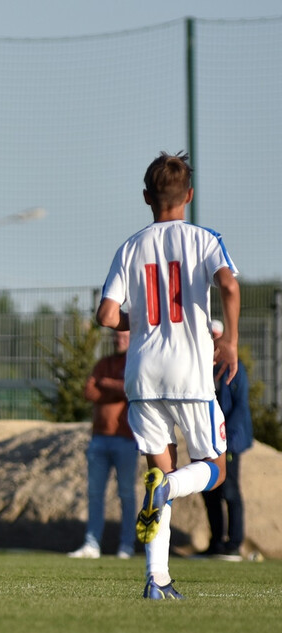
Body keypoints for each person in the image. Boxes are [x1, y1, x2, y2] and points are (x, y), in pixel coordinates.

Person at [97, 151, 240, 600]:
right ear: (189, 196)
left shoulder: (130, 246)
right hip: (190, 375)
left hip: (143, 377)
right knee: (214, 470)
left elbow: (105, 315)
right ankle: (171, 488)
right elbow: (230, 286)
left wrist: (135, 323)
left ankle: (156, 581)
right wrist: (230, 341)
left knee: (157, 470)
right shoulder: (205, 239)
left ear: (146, 197)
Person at [67, 329, 138, 560]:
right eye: (116, 337)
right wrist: (114, 389)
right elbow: (89, 392)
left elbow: (132, 389)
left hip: (126, 439)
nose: (119, 341)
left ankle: (126, 546)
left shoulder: (135, 361)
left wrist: (106, 384)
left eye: (124, 337)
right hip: (99, 438)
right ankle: (92, 544)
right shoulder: (103, 362)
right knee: (95, 494)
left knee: (126, 494)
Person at [199, 319, 252, 561]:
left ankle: (235, 543)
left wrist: (225, 439)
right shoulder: (201, 368)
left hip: (227, 440)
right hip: (206, 439)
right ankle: (216, 542)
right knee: (209, 491)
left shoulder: (233, 366)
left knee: (229, 490)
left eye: (216, 337)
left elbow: (240, 407)